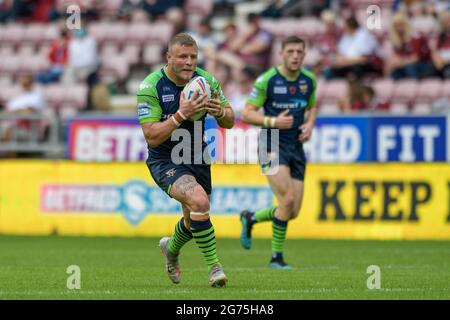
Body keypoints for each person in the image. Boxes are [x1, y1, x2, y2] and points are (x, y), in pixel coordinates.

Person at [136, 33, 235, 287]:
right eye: (182, 57)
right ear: (169, 58)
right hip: (165, 160)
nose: (189, 62)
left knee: (194, 220)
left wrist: (219, 111)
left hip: (196, 155)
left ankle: (171, 248)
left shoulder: (206, 81)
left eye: (193, 56)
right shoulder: (151, 86)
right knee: (199, 200)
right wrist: (182, 114)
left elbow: (231, 120)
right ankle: (215, 267)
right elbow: (151, 136)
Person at [239, 36, 317, 269]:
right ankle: (276, 258)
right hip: (270, 142)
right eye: (290, 51)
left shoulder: (309, 80)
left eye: (299, 52)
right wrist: (272, 120)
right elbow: (246, 113)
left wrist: (310, 124)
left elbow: (312, 106)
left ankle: (251, 218)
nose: (295, 55)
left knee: (292, 211)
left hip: (295, 145)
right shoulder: (268, 80)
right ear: (281, 54)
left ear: (304, 55)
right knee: (287, 200)